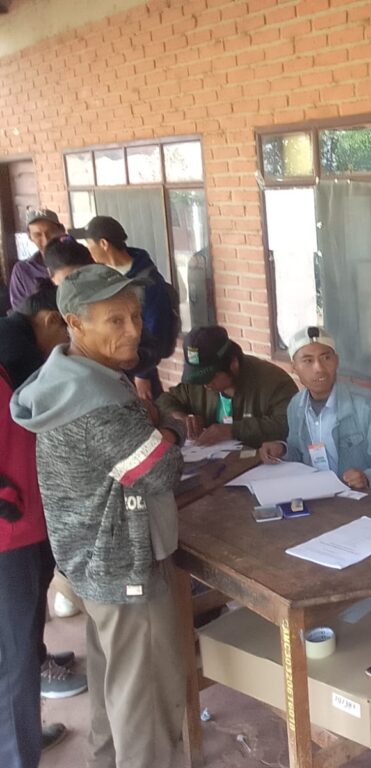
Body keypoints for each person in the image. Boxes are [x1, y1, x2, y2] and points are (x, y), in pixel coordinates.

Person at [11, 265, 187, 768]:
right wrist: (170, 430)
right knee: (147, 704)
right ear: (74, 323)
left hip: (89, 561)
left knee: (117, 686)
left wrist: (153, 429)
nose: (133, 330)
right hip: (124, 568)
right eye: (115, 320)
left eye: (135, 316)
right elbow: (161, 469)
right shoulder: (97, 405)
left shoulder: (64, 376)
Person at [0, 284, 86, 767]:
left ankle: (22, 738)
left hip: (26, 527)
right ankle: (17, 754)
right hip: (7, 536)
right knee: (12, 660)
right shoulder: (15, 353)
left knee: (23, 647)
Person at [258, 326, 371, 491]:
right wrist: (282, 449)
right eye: (308, 361)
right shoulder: (296, 405)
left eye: (326, 358)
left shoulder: (368, 404)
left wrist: (367, 478)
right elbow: (298, 453)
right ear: (294, 367)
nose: (319, 368)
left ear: (337, 361)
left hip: (356, 496)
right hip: (313, 492)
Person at [69, 215, 177, 401]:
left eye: (89, 244)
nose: (88, 250)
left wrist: (143, 374)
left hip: (138, 367)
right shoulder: (103, 276)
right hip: (113, 366)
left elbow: (156, 332)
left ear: (103, 244)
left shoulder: (148, 282)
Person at [157, 325, 297, 448]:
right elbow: (164, 401)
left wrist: (233, 430)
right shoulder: (197, 385)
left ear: (233, 364)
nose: (206, 385)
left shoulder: (274, 382)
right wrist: (180, 417)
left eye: (211, 377)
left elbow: (287, 423)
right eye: (200, 379)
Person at [8, 208, 65, 308]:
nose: (45, 239)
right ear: (30, 237)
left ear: (61, 230)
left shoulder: (79, 260)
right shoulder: (22, 270)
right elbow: (19, 310)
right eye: (37, 235)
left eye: (50, 232)